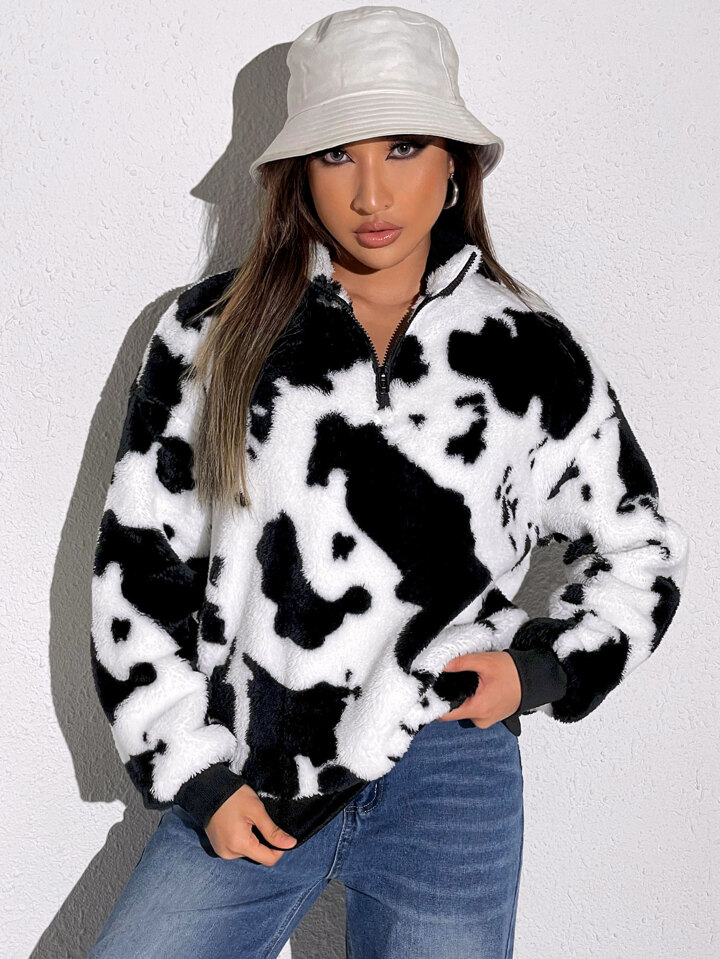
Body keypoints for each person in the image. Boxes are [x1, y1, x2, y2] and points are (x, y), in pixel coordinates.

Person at [86, 6, 690, 958]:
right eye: (338, 155)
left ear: (456, 166)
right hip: (254, 764)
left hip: (449, 774)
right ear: (300, 174)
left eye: (404, 147)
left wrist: (543, 668)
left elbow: (639, 549)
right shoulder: (208, 333)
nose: (372, 192)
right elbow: (139, 567)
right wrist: (197, 774)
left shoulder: (530, 351)